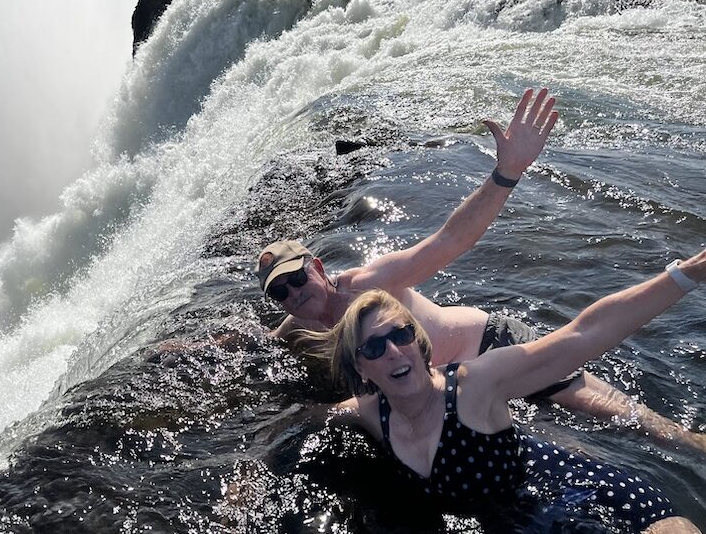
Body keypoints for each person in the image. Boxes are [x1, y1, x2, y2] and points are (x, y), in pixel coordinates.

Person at [258, 88, 706, 453]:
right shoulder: (299, 321)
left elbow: (449, 241)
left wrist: (506, 173)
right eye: (281, 291)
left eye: (298, 278)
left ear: (317, 267)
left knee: (618, 416)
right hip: (453, 395)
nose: (295, 293)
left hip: (493, 348)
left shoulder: (372, 283)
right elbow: (256, 342)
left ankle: (697, 445)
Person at [299, 251, 706, 532]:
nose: (393, 350)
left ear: (418, 340)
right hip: (517, 520)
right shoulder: (369, 412)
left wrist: (687, 273)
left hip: (573, 486)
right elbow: (304, 420)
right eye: (374, 346)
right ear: (361, 368)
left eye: (402, 334)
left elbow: (585, 333)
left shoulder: (475, 384)